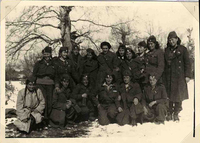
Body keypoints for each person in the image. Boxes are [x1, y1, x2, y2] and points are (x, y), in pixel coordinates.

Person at [164, 31, 191, 121]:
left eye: (172, 39)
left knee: (179, 95)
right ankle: (170, 111)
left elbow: (188, 63)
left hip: (179, 77)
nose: (171, 41)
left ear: (176, 39)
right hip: (170, 76)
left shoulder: (183, 49)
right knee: (170, 95)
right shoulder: (167, 50)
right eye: (169, 39)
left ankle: (176, 112)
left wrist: (187, 75)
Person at [33, 46, 56, 125]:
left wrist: (56, 85)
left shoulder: (53, 63)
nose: (46, 56)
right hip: (40, 84)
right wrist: (33, 84)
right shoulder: (38, 63)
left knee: (49, 101)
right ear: (43, 54)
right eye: (45, 54)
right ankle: (41, 119)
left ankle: (48, 118)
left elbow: (56, 75)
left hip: (50, 84)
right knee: (43, 101)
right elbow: (34, 75)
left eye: (48, 54)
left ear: (50, 54)